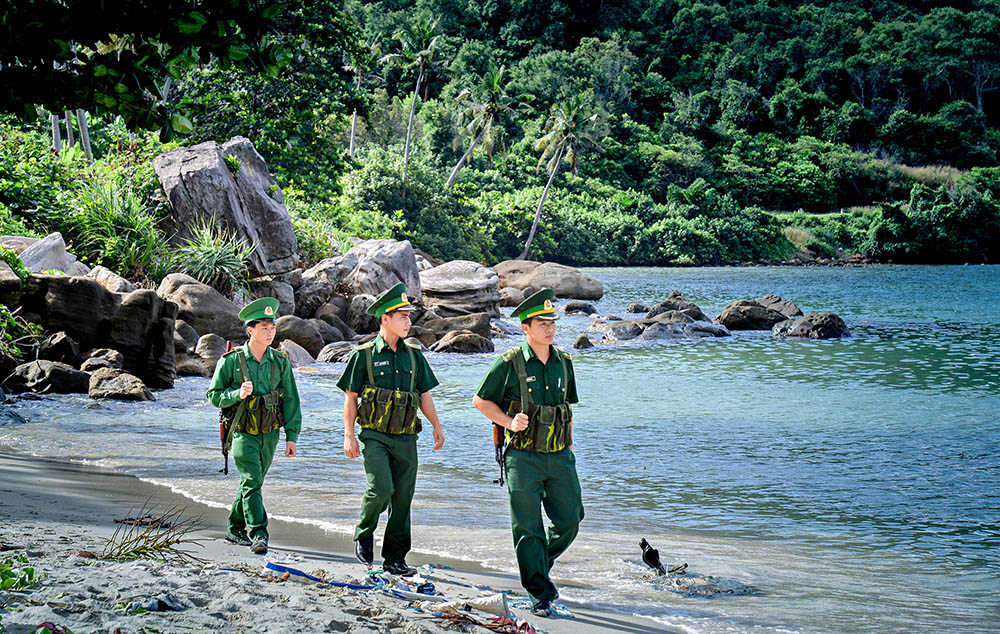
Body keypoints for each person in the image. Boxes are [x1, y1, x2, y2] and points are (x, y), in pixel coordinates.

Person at [472, 288, 584, 617]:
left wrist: (571, 447)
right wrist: (508, 421)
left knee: (570, 520)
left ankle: (536, 564)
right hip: (522, 458)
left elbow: (567, 409)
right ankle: (540, 591)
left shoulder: (564, 362)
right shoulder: (508, 363)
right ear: (525, 327)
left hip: (560, 456)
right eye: (542, 323)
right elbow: (480, 401)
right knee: (528, 527)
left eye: (552, 322)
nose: (550, 328)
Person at [337, 283, 445, 576]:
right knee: (381, 489)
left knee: (402, 499)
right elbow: (351, 397)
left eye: (409, 317)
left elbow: (424, 394)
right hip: (375, 436)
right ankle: (364, 532)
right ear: (385, 318)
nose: (408, 322)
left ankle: (395, 558)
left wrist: (436, 426)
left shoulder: (414, 356)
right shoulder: (364, 355)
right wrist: (349, 435)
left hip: (407, 437)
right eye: (402, 317)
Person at [207, 297, 301, 555]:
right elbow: (213, 395)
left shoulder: (280, 362)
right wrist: (236, 394)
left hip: (270, 434)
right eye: (264, 328)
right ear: (250, 330)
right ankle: (259, 532)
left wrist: (291, 436)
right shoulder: (231, 361)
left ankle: (234, 528)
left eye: (272, 328)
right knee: (251, 480)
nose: (270, 333)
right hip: (241, 433)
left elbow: (291, 400)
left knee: (253, 483)